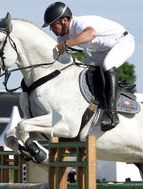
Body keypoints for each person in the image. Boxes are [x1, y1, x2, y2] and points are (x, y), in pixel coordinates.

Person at [42, 2, 135, 131]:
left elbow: (90, 34)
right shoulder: (63, 35)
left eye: (53, 25)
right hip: (103, 51)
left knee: (108, 64)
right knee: (82, 67)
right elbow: (56, 54)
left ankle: (112, 114)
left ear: (64, 20)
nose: (51, 29)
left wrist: (67, 44)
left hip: (123, 42)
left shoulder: (79, 23)